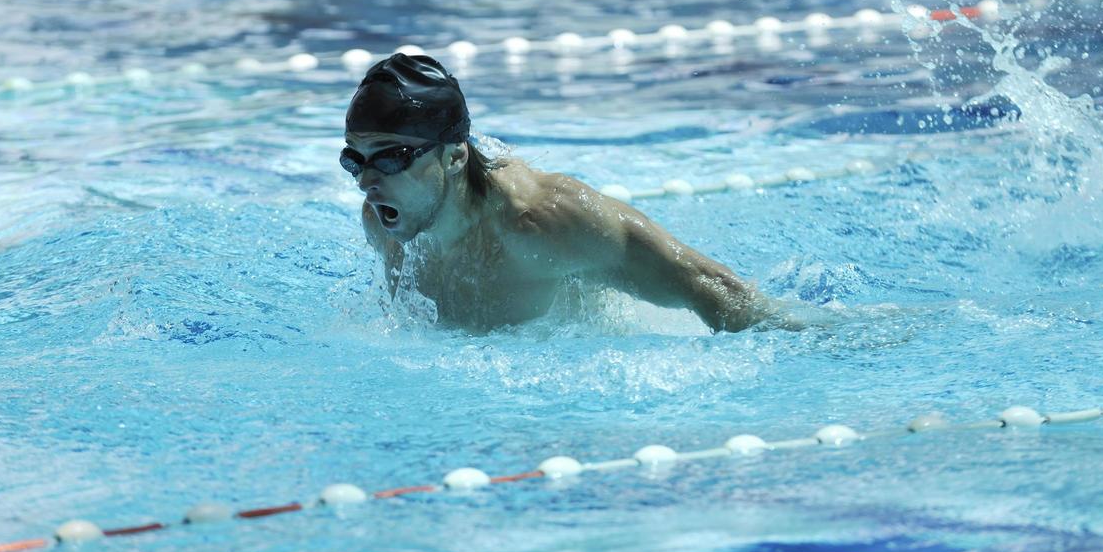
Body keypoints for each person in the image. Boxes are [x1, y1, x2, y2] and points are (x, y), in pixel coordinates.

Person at [343, 52, 810, 333]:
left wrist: (841, 344)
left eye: (389, 158)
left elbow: (709, 289)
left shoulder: (546, 223)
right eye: (355, 160)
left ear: (454, 156)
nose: (367, 180)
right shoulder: (386, 224)